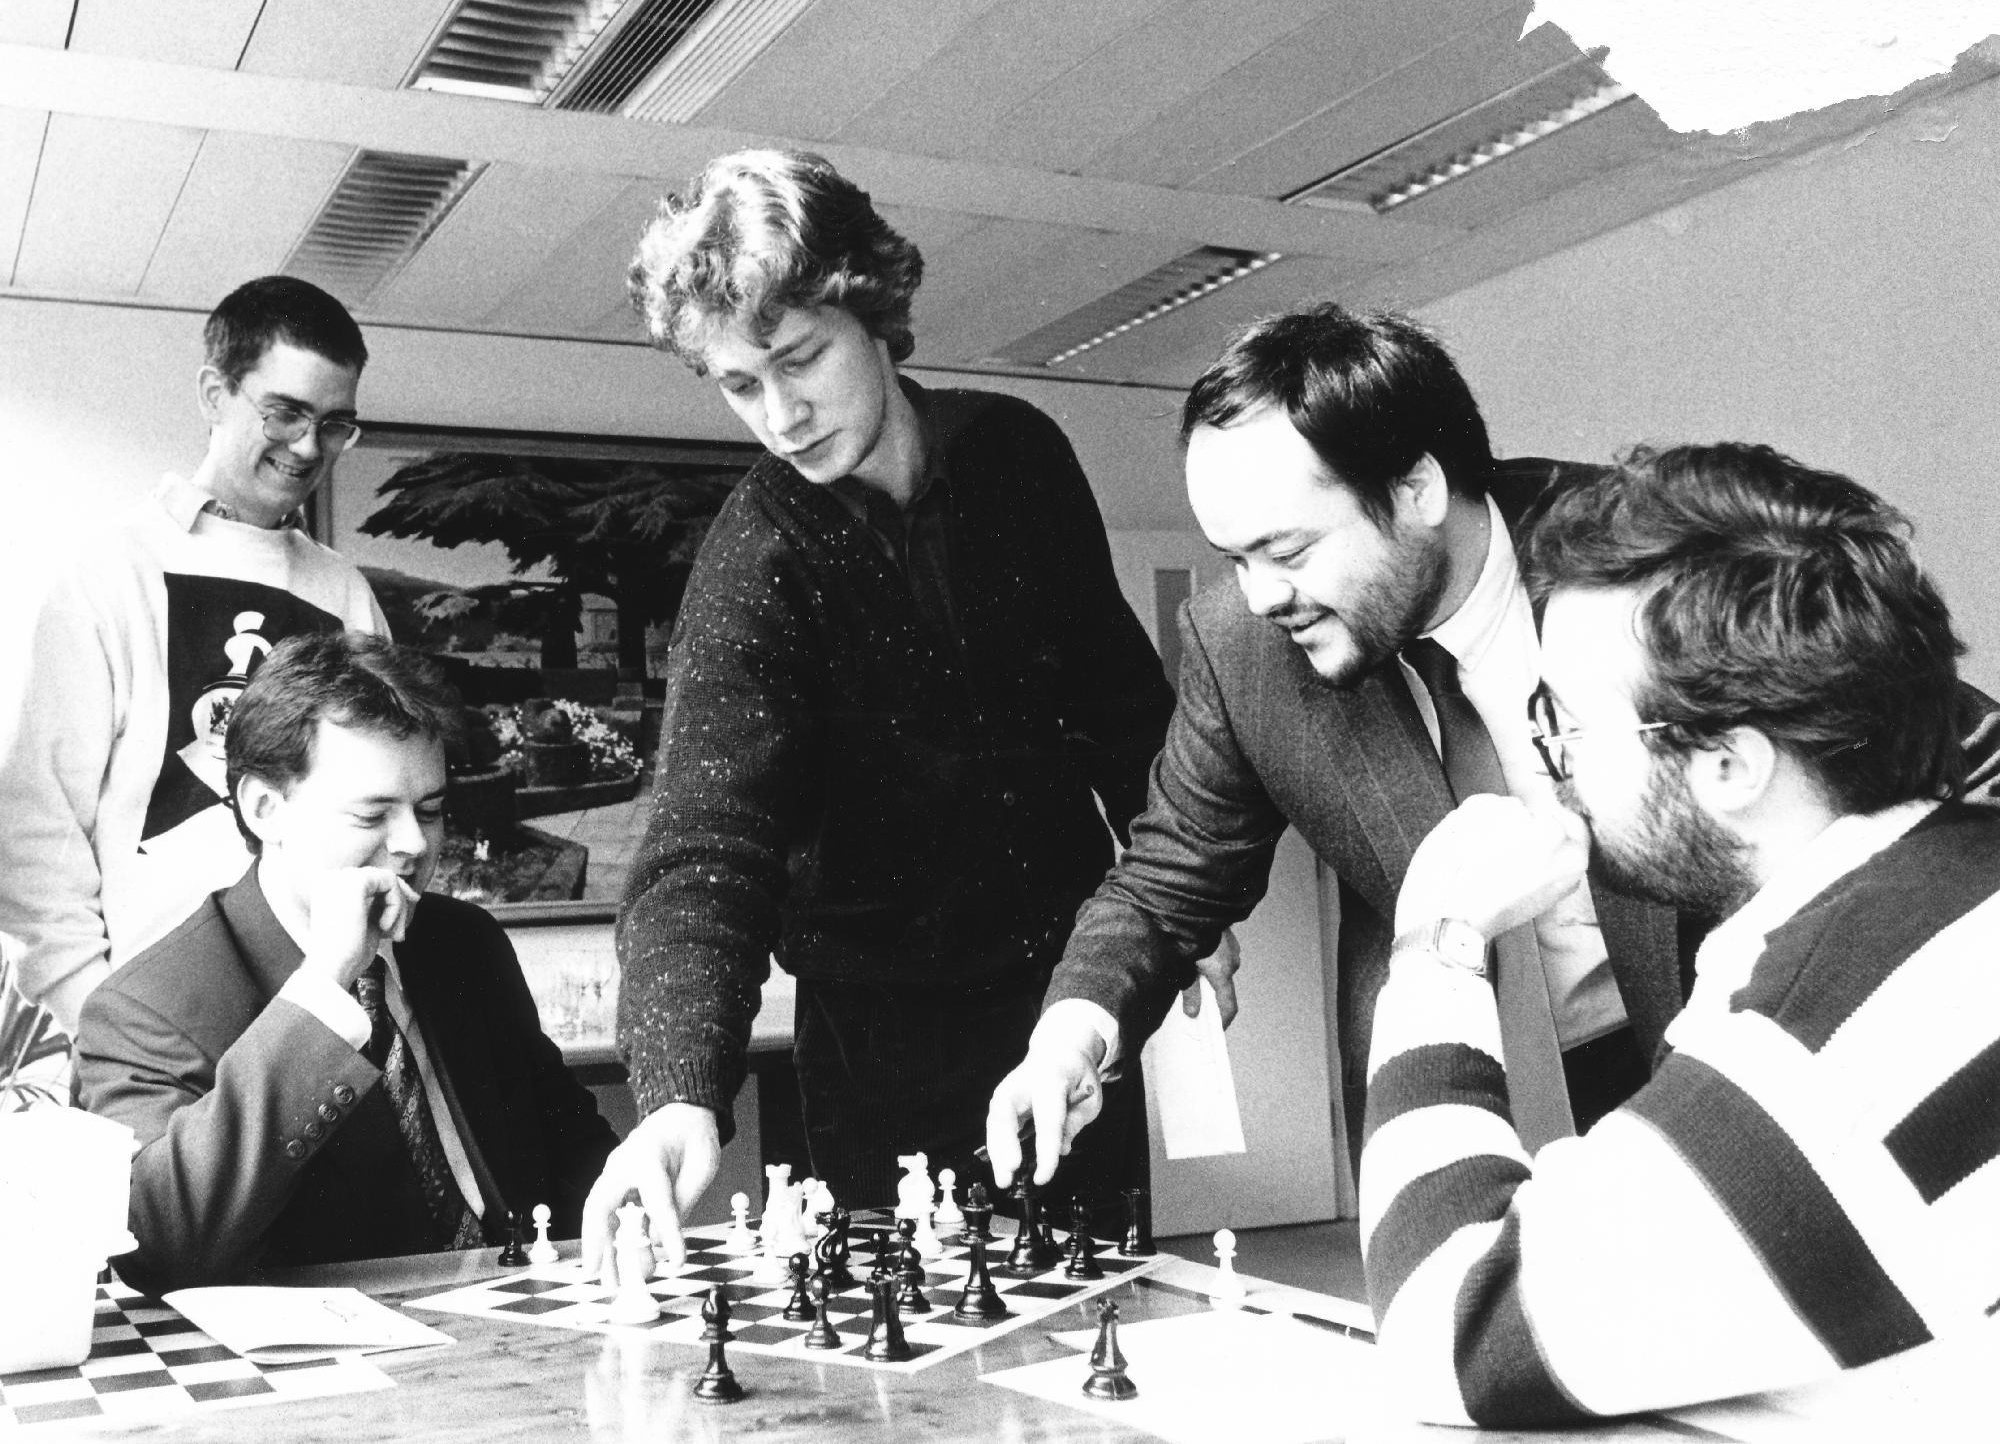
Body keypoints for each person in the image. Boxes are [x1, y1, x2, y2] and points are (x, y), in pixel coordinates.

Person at [985, 303, 2000, 1187]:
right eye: (1231, 557)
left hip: (1711, 1045)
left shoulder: (1634, 558)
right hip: (1473, 1078)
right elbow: (1165, 880)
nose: (1257, 595)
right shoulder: (1243, 648)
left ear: (1416, 487)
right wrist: (1067, 1038)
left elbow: (1927, 724)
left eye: (1285, 549)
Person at [588, 149, 1177, 1264]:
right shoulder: (756, 561)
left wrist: (1176, 906)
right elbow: (705, 853)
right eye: (737, 384)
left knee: (1098, 1326)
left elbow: (1118, 697)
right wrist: (678, 1092)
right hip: (878, 1047)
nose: (778, 415)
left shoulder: (1018, 452)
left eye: (798, 359)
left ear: (876, 313)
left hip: (1069, 995)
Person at [1361, 442, 2000, 1422]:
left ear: (1729, 767)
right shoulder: (1950, 890)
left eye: (1567, 726)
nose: (1553, 766)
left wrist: (1434, 940)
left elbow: (1447, 1329)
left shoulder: (1834, 1037)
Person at [72, 631, 618, 1292]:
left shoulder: (465, 942)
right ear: (265, 808)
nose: (414, 843)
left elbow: (574, 1142)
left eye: (432, 809)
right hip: (328, 1376)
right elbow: (159, 1247)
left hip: (527, 1324)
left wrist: (630, 1220)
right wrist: (321, 986)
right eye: (373, 814)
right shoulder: (144, 1006)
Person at [0, 276, 386, 1033]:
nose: (309, 446)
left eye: (335, 423)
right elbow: (35, 825)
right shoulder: (112, 570)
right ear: (215, 393)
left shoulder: (346, 596)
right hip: (147, 1023)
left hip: (317, 1022)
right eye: (285, 412)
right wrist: (100, 1015)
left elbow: (376, 807)